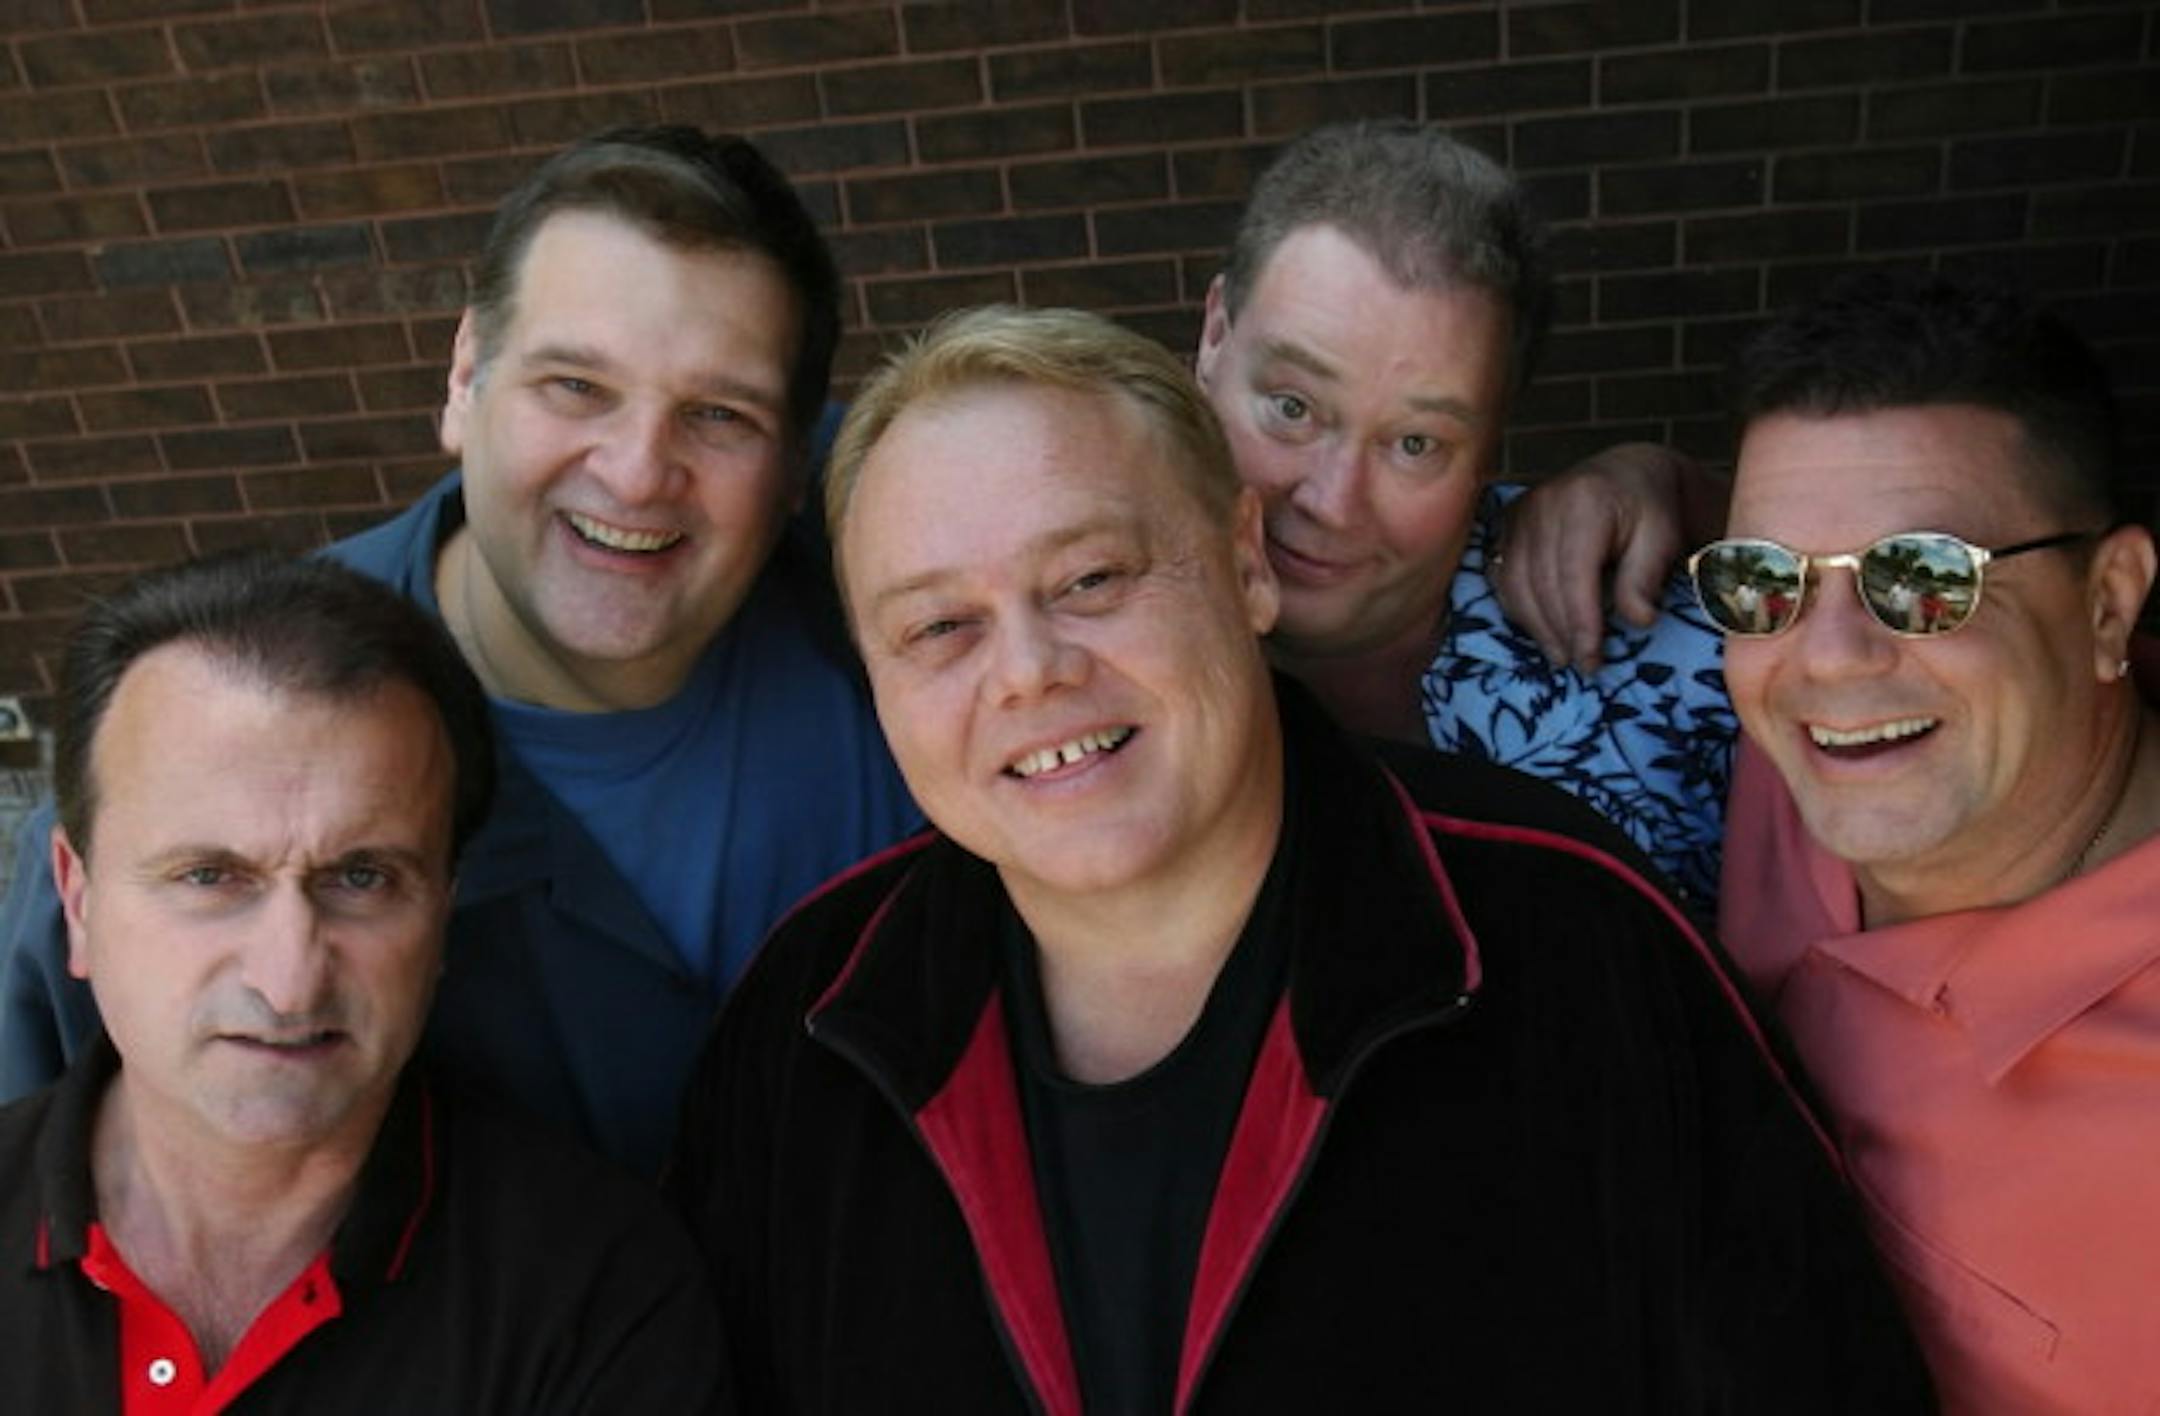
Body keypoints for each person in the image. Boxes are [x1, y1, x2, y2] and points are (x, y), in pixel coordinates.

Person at [668, 305, 1929, 1414]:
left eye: (1094, 576)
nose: (1029, 670)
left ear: (1245, 564)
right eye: (938, 625)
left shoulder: (1573, 940)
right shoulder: (802, 1034)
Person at [0, 126, 920, 1177]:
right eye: (575, 386)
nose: (634, 474)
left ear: (799, 459)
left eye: (719, 414)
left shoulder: (920, 614)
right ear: (466, 378)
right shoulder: (208, 752)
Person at [0, 554, 724, 1412]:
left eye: (363, 879)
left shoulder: (597, 1288)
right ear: (77, 903)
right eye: (207, 876)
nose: (289, 980)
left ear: (445, 912)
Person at [1690, 273, 2160, 1412]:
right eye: (1766, 580)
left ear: (2108, 605)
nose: (1831, 657)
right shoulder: (1813, 755)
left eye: (1927, 579)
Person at [1192, 120, 1736, 909]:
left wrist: (1691, 491)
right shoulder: (1068, 634)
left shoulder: (1674, 671)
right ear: (1214, 334)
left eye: (1416, 443)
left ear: (1493, 443)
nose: (1332, 501)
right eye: (1292, 407)